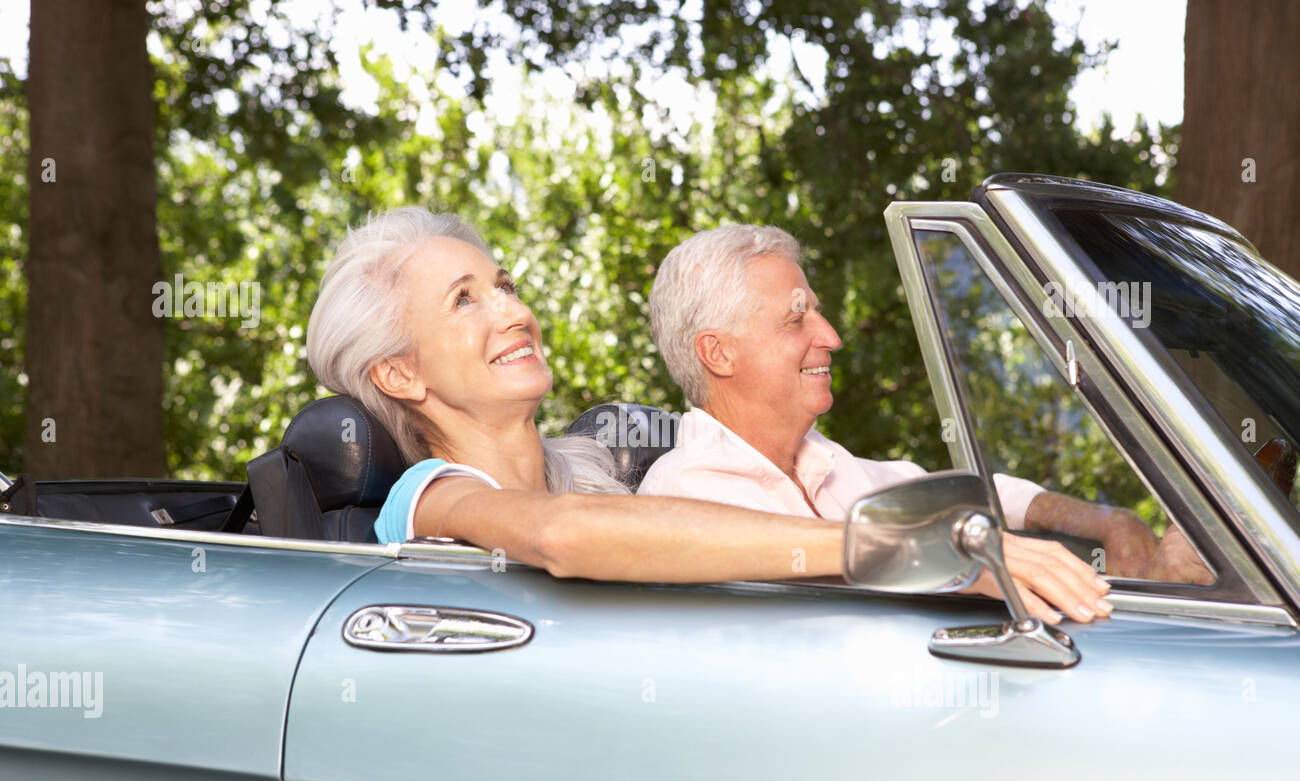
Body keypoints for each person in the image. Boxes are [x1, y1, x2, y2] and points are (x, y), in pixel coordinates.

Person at [305, 207, 1112, 621]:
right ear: (399, 373)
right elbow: (559, 536)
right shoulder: (429, 494)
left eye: (506, 285)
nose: (512, 311)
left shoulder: (599, 471)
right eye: (465, 301)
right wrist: (884, 546)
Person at [639, 224, 1183, 598]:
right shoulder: (687, 492)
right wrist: (981, 566)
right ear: (718, 353)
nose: (832, 337)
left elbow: (973, 493)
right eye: (796, 320)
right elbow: (841, 602)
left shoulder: (827, 465)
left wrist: (1109, 521)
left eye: (820, 316)